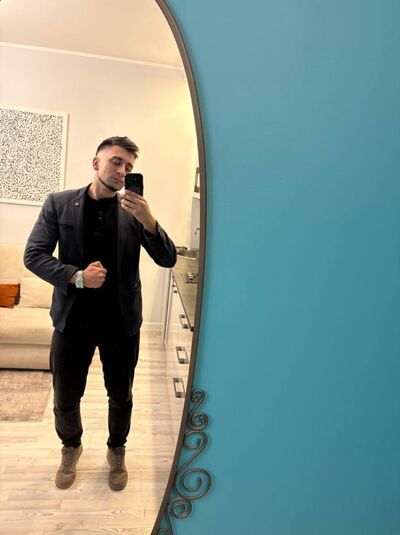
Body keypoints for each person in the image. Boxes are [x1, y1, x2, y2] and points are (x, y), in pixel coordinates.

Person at [24, 136, 176, 491]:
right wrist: (76, 277)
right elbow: (34, 255)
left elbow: (168, 258)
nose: (122, 171)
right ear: (96, 163)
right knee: (65, 396)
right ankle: (71, 446)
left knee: (121, 395)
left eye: (129, 167)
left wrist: (149, 220)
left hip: (121, 322)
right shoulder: (59, 203)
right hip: (72, 320)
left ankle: (116, 449)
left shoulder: (135, 212)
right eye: (116, 162)